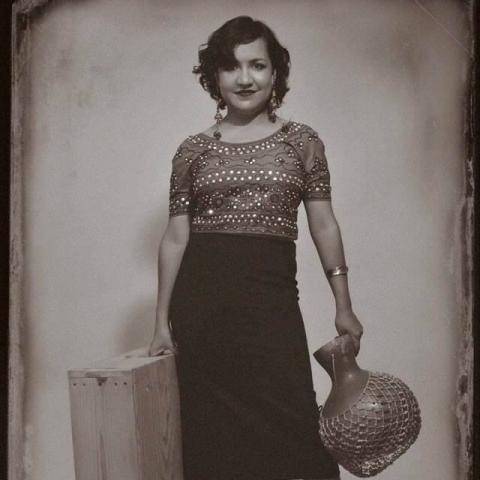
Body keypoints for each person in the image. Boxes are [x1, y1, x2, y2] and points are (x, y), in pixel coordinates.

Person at [135, 16, 363, 480]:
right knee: (212, 440)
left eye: (257, 65)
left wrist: (344, 304)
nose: (244, 79)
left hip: (270, 308)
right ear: (214, 77)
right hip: (203, 315)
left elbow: (323, 225)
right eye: (231, 67)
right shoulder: (192, 151)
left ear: (275, 73)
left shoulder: (303, 143)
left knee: (296, 434)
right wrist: (161, 324)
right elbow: (176, 238)